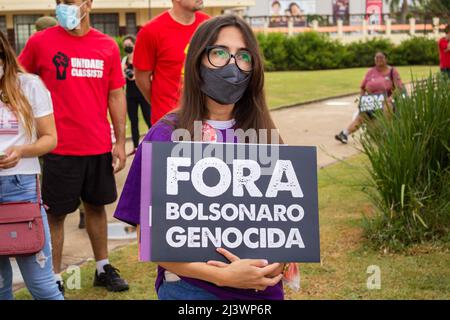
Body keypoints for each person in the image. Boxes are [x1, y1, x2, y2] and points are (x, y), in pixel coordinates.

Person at [114, 15, 288, 300]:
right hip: (191, 291)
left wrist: (274, 264)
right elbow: (149, 240)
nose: (233, 65)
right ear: (197, 61)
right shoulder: (165, 135)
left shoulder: (267, 135)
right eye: (219, 53)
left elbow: (286, 226)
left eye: (243, 56)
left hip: (263, 292)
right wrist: (221, 276)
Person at [18, 0, 129, 294]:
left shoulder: (106, 45)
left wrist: (119, 141)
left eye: (71, 1)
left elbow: (116, 95)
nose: (65, 6)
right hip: (57, 146)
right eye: (60, 2)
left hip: (96, 144)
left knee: (96, 207)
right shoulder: (40, 42)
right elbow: (15, 82)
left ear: (88, 3)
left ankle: (103, 267)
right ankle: (53, 277)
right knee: (55, 214)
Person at [0, 31, 62, 300]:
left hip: (20, 187)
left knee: (42, 286)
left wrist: (22, 150)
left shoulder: (29, 85)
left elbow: (50, 138)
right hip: (18, 187)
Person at [134, 0, 209, 125]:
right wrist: (161, 105)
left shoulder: (209, 27)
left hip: (203, 121)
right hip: (167, 124)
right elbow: (142, 79)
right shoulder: (151, 31)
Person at [335, 51, 404, 144]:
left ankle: (387, 133)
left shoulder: (392, 71)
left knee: (387, 106)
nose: (378, 60)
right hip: (371, 100)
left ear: (386, 59)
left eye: (381, 57)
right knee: (362, 116)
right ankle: (344, 134)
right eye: (376, 58)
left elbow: (399, 88)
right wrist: (362, 100)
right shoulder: (370, 72)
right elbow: (363, 88)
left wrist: (390, 98)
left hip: (387, 100)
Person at [122, 35, 151, 156]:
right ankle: (135, 147)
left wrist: (135, 74)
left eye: (129, 45)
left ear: (134, 45)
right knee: (133, 121)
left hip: (142, 93)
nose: (127, 47)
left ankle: (154, 144)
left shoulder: (141, 58)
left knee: (149, 119)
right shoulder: (124, 60)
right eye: (125, 46)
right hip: (130, 95)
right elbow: (121, 79)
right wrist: (124, 72)